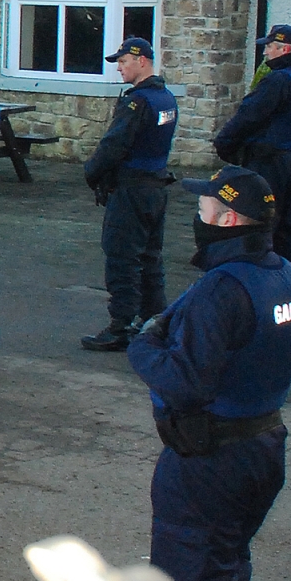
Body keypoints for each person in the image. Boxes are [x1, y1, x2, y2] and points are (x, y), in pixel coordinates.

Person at [127, 166, 291, 581]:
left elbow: (185, 385)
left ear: (227, 219)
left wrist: (143, 347)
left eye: (203, 207)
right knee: (225, 565)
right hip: (263, 447)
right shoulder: (288, 275)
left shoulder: (221, 289)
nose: (197, 216)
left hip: (210, 460)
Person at [80, 38, 178, 351]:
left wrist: (91, 172)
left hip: (132, 190)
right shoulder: (166, 98)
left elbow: (114, 145)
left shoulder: (138, 102)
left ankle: (120, 326)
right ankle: (154, 319)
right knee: (149, 257)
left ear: (142, 61)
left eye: (123, 62)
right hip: (155, 187)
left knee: (123, 257)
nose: (119, 68)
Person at [214, 24, 291, 265]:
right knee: (288, 226)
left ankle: (258, 271)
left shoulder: (278, 80)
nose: (265, 53)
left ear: (284, 49)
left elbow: (249, 116)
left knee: (260, 221)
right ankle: (289, 274)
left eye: (270, 47)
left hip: (269, 160)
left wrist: (224, 145)